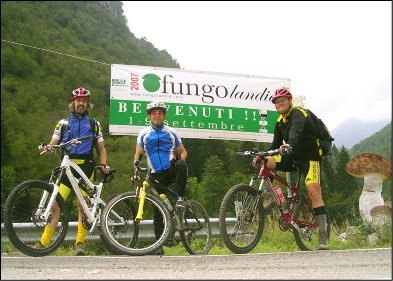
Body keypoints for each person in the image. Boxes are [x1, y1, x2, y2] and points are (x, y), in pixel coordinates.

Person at [35, 87, 110, 255]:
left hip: (85, 166)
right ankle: (44, 242)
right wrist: (46, 148)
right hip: (66, 167)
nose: (81, 103)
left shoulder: (94, 124)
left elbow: (101, 149)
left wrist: (103, 164)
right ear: (73, 103)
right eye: (78, 101)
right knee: (55, 205)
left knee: (82, 206)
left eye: (84, 101)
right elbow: (53, 143)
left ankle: (80, 244)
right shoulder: (63, 124)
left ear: (88, 104)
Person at [264, 87, 329, 250]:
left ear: (289, 101)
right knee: (266, 161)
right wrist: (263, 154)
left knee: (314, 192)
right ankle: (270, 196)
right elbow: (275, 145)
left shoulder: (299, 113)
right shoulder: (280, 122)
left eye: (282, 101)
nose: (279, 104)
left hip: (310, 158)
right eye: (276, 102)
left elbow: (296, 132)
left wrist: (290, 144)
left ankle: (323, 234)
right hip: (293, 157)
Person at [132, 101, 188, 255]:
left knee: (181, 164)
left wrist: (178, 159)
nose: (157, 115)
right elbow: (137, 156)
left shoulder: (172, 132)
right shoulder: (144, 133)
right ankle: (158, 245)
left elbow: (183, 152)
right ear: (149, 116)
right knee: (157, 209)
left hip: (170, 170)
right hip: (155, 174)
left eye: (160, 113)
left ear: (164, 115)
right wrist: (136, 173)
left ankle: (181, 198)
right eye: (154, 113)